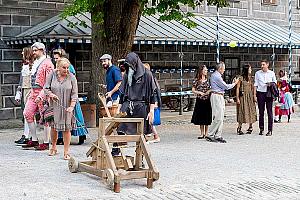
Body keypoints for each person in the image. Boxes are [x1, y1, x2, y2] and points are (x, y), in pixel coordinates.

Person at [114, 52, 156, 155]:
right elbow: (123, 94)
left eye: (131, 65)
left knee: (141, 134)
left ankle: (140, 157)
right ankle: (115, 151)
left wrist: (151, 111)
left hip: (142, 107)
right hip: (127, 106)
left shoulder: (147, 75)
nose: (129, 67)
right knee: (120, 128)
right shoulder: (127, 74)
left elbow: (152, 95)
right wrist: (119, 108)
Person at [44, 58, 78, 160]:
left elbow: (75, 93)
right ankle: (53, 147)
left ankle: (66, 151)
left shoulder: (72, 77)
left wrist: (71, 106)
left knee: (67, 129)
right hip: (54, 105)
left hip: (67, 106)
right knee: (54, 127)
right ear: (58, 67)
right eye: (64, 67)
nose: (66, 70)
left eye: (67, 68)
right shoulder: (52, 75)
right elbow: (46, 88)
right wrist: (51, 94)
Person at [22, 42, 54, 150]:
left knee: (45, 117)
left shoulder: (48, 63)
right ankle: (34, 140)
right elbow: (33, 80)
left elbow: (48, 82)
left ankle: (46, 142)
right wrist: (30, 92)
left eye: (36, 50)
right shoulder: (35, 62)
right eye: (33, 50)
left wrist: (42, 95)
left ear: (42, 50)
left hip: (43, 92)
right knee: (27, 113)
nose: (34, 52)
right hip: (33, 92)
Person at [53, 49, 88, 144]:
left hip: (69, 95)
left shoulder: (69, 68)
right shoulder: (56, 69)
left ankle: (81, 134)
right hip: (60, 95)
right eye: (55, 58)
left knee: (75, 115)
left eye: (57, 58)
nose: (56, 60)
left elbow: (71, 81)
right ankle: (60, 137)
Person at [206, 62, 239, 143]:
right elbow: (225, 86)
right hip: (217, 96)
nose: (224, 70)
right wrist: (235, 83)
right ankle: (210, 134)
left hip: (219, 96)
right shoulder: (217, 76)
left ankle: (218, 135)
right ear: (220, 68)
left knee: (220, 117)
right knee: (218, 117)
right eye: (224, 68)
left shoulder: (216, 75)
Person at [15, 47, 34, 145]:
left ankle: (29, 136)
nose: (22, 53)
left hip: (30, 90)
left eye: (23, 51)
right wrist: (19, 92)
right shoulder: (25, 65)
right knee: (25, 114)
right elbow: (21, 80)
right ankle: (26, 135)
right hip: (25, 90)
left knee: (29, 114)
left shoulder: (32, 65)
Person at [254, 59, 277, 136]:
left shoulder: (271, 73)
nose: (262, 66)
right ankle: (261, 129)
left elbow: (275, 83)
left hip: (269, 94)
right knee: (261, 112)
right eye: (261, 65)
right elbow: (255, 84)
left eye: (263, 64)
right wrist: (254, 95)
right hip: (260, 93)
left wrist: (270, 84)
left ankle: (270, 130)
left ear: (267, 65)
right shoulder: (257, 73)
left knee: (269, 112)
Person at [191, 65, 212, 139]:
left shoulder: (208, 79)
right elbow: (193, 90)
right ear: (201, 71)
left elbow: (212, 88)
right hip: (200, 100)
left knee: (206, 117)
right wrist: (199, 92)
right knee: (201, 117)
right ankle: (201, 133)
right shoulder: (196, 80)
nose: (206, 71)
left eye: (206, 70)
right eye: (205, 70)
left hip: (207, 100)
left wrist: (208, 92)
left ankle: (206, 133)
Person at [236, 64, 257, 135]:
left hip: (250, 96)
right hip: (243, 96)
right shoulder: (240, 78)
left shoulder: (251, 78)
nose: (251, 70)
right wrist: (237, 98)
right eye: (250, 69)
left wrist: (254, 96)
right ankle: (239, 127)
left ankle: (250, 126)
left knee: (251, 110)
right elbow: (238, 88)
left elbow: (253, 87)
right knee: (242, 110)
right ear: (246, 70)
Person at [144, 63, 161, 143]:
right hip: (150, 101)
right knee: (149, 120)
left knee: (150, 120)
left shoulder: (150, 78)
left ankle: (153, 136)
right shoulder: (149, 78)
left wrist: (155, 102)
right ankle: (150, 135)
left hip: (152, 102)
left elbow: (155, 91)